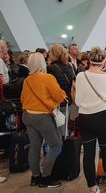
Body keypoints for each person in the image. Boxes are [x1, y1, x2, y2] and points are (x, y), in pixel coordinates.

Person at [75, 46, 106, 193]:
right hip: (103, 116)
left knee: (88, 154)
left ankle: (92, 187)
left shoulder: (80, 76)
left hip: (84, 117)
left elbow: (78, 100)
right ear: (104, 60)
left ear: (89, 59)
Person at [21, 53, 66, 188]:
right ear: (43, 63)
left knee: (34, 147)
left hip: (27, 115)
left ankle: (35, 177)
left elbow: (23, 99)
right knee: (55, 144)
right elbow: (59, 96)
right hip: (43, 117)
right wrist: (62, 95)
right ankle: (46, 177)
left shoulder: (27, 80)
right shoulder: (48, 78)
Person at [47, 44, 75, 134]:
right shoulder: (69, 66)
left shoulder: (50, 68)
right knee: (64, 127)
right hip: (67, 100)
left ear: (54, 54)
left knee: (56, 130)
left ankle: (60, 147)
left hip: (56, 102)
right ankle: (65, 145)